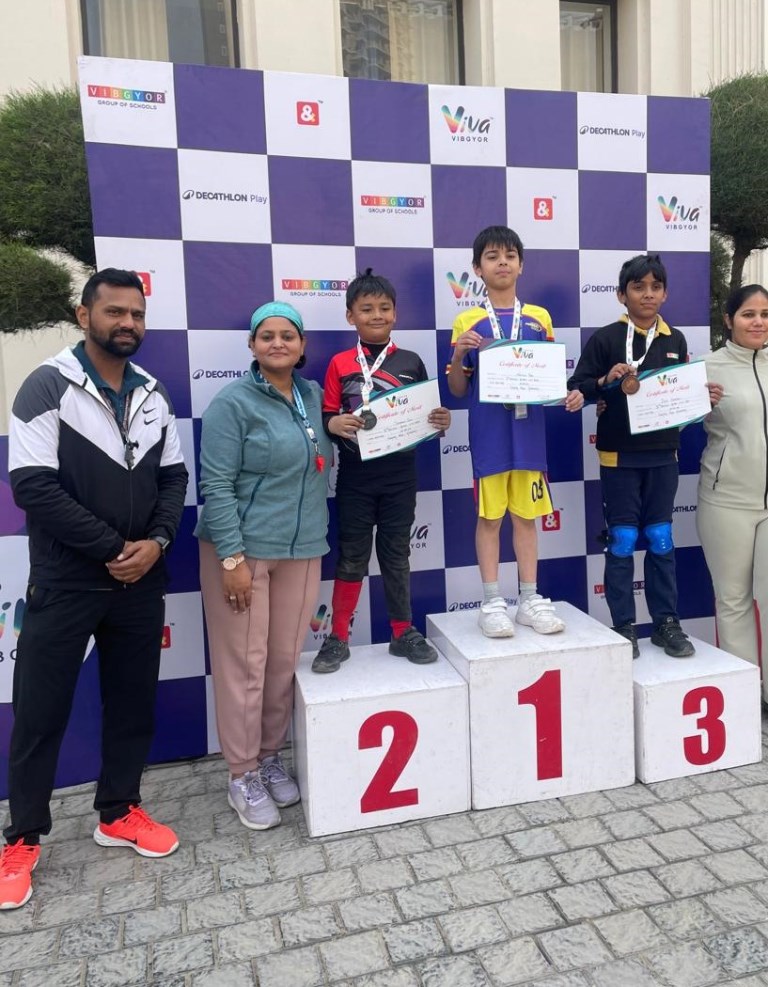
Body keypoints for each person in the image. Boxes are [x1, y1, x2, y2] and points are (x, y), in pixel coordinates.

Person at [1, 269, 188, 910]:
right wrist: (113, 549)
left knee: (132, 703)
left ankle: (119, 811)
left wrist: (156, 544)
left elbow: (174, 479)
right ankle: (22, 838)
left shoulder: (153, 392)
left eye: (135, 314)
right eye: (113, 312)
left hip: (141, 578)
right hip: (69, 579)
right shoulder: (46, 385)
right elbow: (32, 487)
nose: (127, 324)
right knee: (40, 712)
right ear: (84, 316)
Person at [195, 301, 332, 830]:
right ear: (252, 346)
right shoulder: (232, 403)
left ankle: (269, 757)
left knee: (280, 664)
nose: (278, 344)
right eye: (267, 336)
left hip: (302, 548)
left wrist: (423, 420)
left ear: (302, 346)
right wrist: (231, 558)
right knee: (244, 668)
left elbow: (345, 432)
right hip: (243, 551)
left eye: (288, 336)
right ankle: (241, 773)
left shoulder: (313, 395)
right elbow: (217, 484)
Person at [567, 253, 714, 659]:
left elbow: (681, 395)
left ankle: (666, 623)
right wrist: (604, 380)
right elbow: (578, 388)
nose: (647, 294)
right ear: (621, 294)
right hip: (618, 455)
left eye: (655, 287)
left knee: (662, 538)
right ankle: (623, 627)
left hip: (664, 454)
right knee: (623, 539)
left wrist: (702, 396)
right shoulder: (605, 338)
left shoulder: (676, 339)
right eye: (638, 287)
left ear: (665, 293)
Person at [311, 269, 451, 673]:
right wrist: (334, 424)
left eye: (384, 308)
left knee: (396, 554)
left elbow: (427, 416)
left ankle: (401, 632)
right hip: (356, 477)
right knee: (352, 556)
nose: (377, 315)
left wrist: (440, 420)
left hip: (401, 476)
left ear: (395, 313)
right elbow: (328, 416)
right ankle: (337, 637)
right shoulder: (340, 363)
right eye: (366, 308)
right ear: (350, 316)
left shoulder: (411, 361)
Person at [448, 225, 583, 638]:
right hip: (489, 438)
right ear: (477, 268)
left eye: (509, 255)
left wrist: (567, 395)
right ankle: (491, 601)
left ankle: (528, 599)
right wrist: (459, 353)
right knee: (489, 519)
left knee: (526, 518)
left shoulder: (539, 318)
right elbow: (456, 389)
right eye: (492, 256)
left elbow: (546, 381)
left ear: (521, 265)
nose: (501, 262)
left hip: (529, 438)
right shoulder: (467, 320)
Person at [697, 284, 768, 690]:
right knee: (734, 599)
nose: (758, 321)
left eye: (765, 314)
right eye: (748, 314)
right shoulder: (708, 366)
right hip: (727, 500)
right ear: (729, 320)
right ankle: (744, 698)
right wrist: (697, 402)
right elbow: (667, 416)